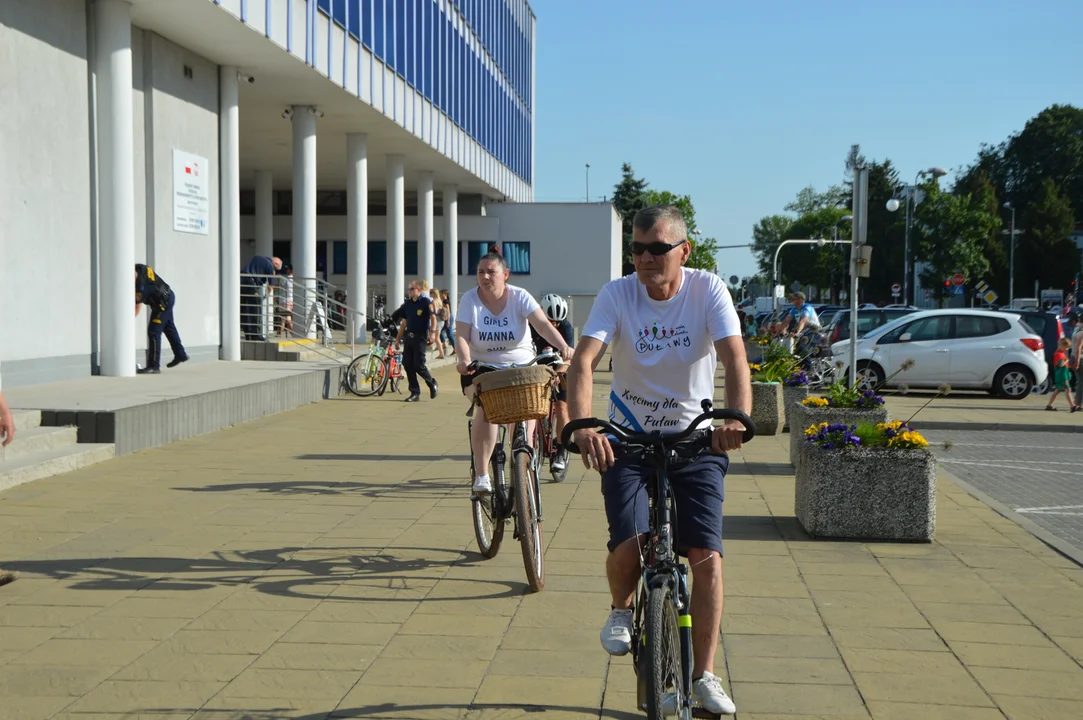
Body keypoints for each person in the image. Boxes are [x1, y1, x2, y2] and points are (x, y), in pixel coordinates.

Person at [565, 205, 750, 716]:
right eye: (637, 249)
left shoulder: (707, 290)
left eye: (657, 249)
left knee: (706, 559)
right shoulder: (617, 294)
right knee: (628, 548)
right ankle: (621, 608)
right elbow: (583, 362)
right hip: (627, 439)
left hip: (695, 441)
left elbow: (735, 357)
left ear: (683, 252)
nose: (645, 260)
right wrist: (583, 426)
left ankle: (705, 674)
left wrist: (735, 419)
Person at [455, 252, 573, 496]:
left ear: (505, 275)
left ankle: (523, 470)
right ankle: (482, 475)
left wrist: (562, 346)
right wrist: (464, 360)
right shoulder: (469, 300)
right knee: (486, 409)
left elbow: (542, 325)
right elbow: (462, 336)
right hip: (482, 370)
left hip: (521, 369)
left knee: (526, 411)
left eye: (491, 271)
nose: (485, 276)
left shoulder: (520, 297)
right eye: (480, 272)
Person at [531, 293, 575, 474]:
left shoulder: (567, 328)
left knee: (562, 407)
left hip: (561, 368)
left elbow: (570, 358)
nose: (555, 325)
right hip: (537, 368)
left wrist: (558, 374)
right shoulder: (532, 325)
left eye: (558, 322)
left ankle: (560, 449)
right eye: (551, 322)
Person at [135, 264, 188, 374]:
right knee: (169, 327)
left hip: (162, 304)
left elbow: (137, 306)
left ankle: (154, 366)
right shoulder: (140, 268)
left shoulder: (140, 287)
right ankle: (180, 354)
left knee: (154, 332)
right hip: (168, 296)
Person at [394, 281, 439, 402]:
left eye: (412, 289)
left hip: (421, 337)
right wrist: (398, 339)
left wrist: (433, 333)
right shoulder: (407, 304)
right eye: (409, 289)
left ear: (419, 291)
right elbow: (404, 323)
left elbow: (433, 318)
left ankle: (432, 383)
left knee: (418, 365)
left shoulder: (425, 302)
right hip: (409, 336)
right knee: (407, 364)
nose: (410, 291)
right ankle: (415, 392)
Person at [241, 255, 283, 341]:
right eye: (276, 269)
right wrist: (266, 295)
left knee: (245, 308)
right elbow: (271, 285)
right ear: (275, 264)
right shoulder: (270, 266)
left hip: (242, 280)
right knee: (255, 308)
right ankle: (254, 334)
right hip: (251, 283)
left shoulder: (258, 258)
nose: (275, 271)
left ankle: (248, 333)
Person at [1045, 338, 1079, 412]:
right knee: (1068, 389)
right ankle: (1072, 406)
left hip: (1063, 374)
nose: (1067, 349)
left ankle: (1049, 405)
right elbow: (1060, 364)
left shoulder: (1061, 353)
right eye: (1066, 347)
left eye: (1068, 347)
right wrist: (1067, 360)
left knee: (1058, 390)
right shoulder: (1058, 354)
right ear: (1061, 345)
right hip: (1061, 375)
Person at [430, 288, 448, 359]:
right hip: (441, 320)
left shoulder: (434, 301)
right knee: (438, 337)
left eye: (431, 292)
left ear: (434, 293)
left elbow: (435, 311)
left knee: (437, 338)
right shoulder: (440, 301)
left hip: (437, 320)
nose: (430, 294)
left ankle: (441, 353)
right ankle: (441, 351)